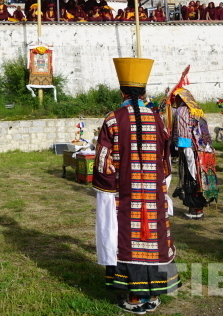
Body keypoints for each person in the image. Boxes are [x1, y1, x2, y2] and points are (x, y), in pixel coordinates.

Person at [93, 58, 180, 314]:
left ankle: (134, 298)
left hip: (125, 197)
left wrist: (107, 188)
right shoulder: (157, 119)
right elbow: (166, 160)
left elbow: (103, 161)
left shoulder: (113, 120)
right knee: (154, 239)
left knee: (127, 241)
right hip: (154, 195)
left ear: (122, 92)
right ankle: (151, 296)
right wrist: (161, 185)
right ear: (144, 92)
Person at [170, 83, 218, 219]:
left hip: (191, 149)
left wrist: (180, 149)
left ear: (181, 98)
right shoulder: (197, 109)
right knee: (201, 177)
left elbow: (183, 133)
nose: (174, 101)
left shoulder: (182, 110)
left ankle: (195, 209)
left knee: (192, 177)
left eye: (176, 98)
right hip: (205, 150)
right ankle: (198, 208)